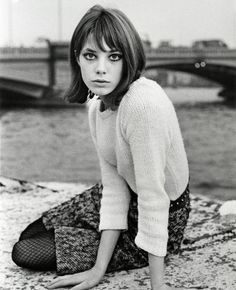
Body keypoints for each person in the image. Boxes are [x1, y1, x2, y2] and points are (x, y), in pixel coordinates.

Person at [12, 5, 191, 290]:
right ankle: (96, 237)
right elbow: (114, 185)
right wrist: (97, 269)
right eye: (90, 55)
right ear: (77, 58)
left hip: (162, 210)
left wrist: (158, 286)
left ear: (128, 58)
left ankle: (117, 242)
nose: (101, 69)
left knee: (25, 253)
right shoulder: (96, 106)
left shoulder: (143, 106)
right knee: (30, 233)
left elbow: (153, 197)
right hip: (125, 192)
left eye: (114, 56)